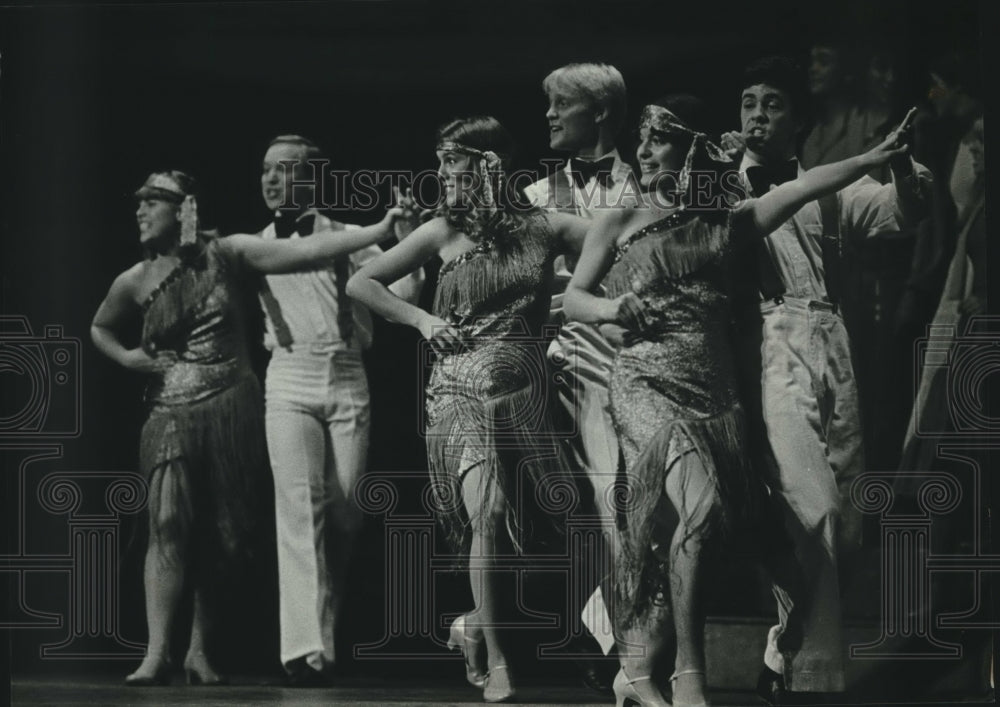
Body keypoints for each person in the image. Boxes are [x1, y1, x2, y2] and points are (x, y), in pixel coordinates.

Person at [563, 93, 915, 707]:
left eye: (659, 139)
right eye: (641, 138)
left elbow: (806, 190)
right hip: (644, 382)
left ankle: (637, 671)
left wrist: (876, 156)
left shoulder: (728, 219)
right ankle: (685, 676)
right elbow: (574, 299)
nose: (643, 151)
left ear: (692, 148)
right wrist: (612, 308)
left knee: (693, 527)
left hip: (713, 387)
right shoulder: (620, 217)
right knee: (685, 521)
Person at [90, 170, 411, 686]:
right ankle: (156, 652)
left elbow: (310, 251)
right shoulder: (135, 277)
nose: (141, 212)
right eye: (138, 204)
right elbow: (100, 326)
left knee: (224, 530)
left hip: (232, 404)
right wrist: (130, 359)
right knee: (167, 520)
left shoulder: (229, 252)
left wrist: (378, 230)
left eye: (153, 203)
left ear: (184, 210)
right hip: (172, 407)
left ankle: (198, 650)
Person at [347, 116, 592, 703]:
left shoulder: (547, 226)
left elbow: (620, 246)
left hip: (525, 390)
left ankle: (473, 624)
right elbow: (364, 284)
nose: (441, 175)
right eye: (438, 163)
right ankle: (501, 661)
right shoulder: (441, 232)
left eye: (451, 162)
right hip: (459, 389)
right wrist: (424, 320)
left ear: (488, 165)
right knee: (489, 510)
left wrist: (566, 306)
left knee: (526, 529)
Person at [723, 56, 932, 704]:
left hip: (831, 342)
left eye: (773, 104)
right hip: (763, 344)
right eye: (748, 101)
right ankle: (814, 674)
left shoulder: (829, 187)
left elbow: (907, 212)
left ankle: (782, 649)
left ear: (800, 121)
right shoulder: (715, 183)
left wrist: (898, 160)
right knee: (815, 509)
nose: (757, 114)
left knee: (843, 523)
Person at [257, 134, 424, 686]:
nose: (272, 180)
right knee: (300, 506)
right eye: (266, 171)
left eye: (284, 171)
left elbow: (406, 287)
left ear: (310, 179)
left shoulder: (348, 235)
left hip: (347, 374)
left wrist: (406, 243)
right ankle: (303, 647)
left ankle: (324, 628)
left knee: (347, 508)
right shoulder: (257, 243)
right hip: (288, 377)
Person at [522, 61, 635, 688]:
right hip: (552, 364)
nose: (547, 116)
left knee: (617, 503)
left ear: (599, 112)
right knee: (565, 507)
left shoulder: (644, 189)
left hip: (625, 358)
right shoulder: (535, 199)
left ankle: (617, 639)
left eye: (559, 104)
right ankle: (615, 643)